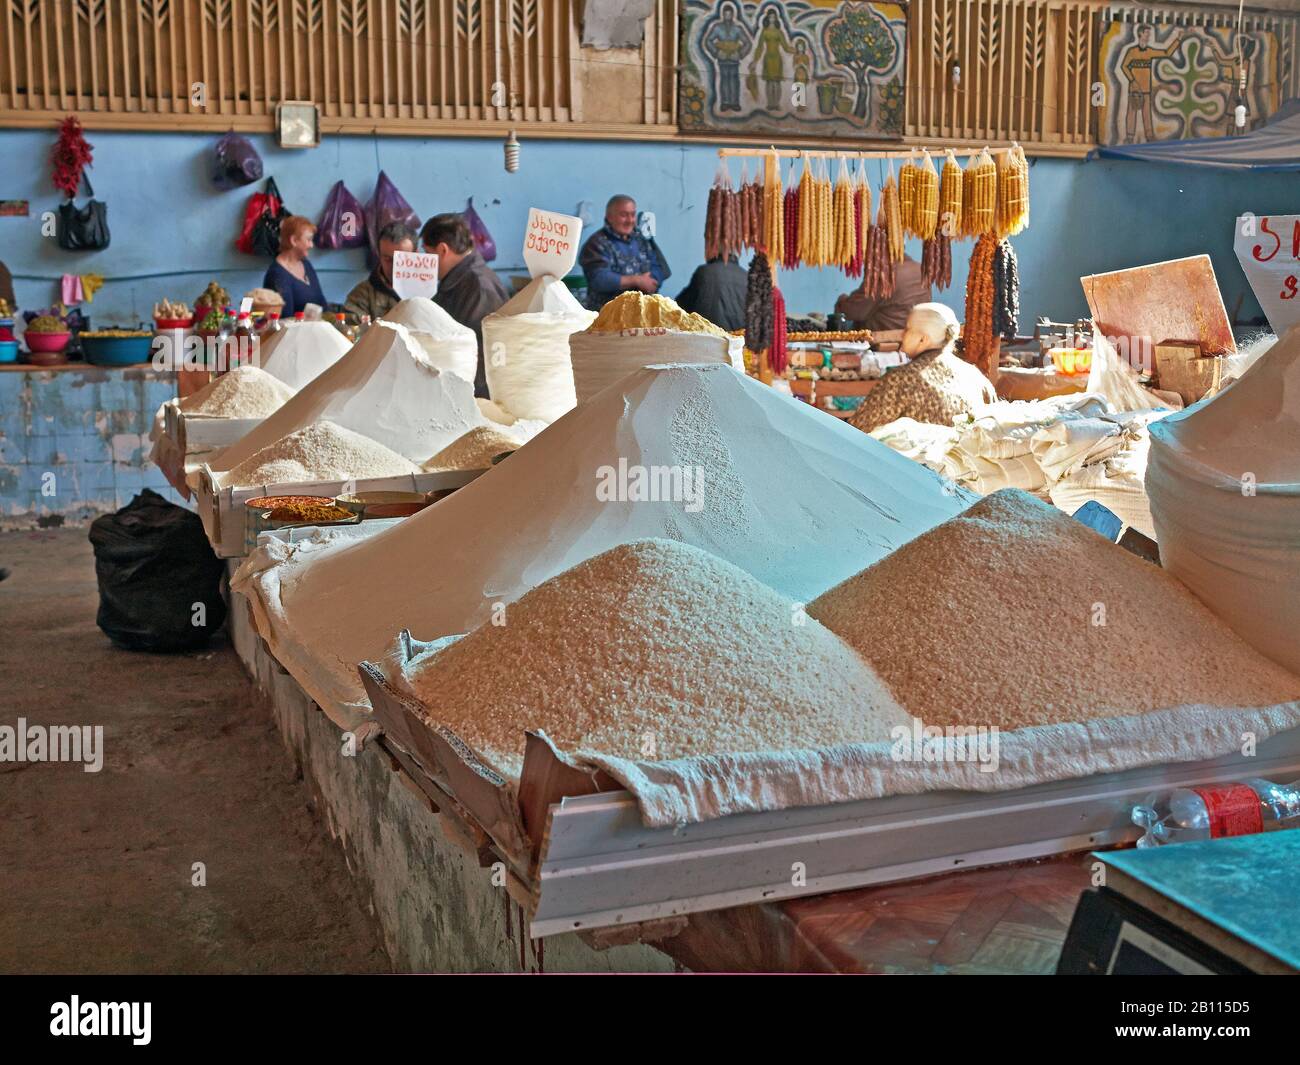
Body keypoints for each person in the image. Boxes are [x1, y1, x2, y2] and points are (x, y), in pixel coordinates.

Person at [847, 303, 996, 434]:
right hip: (963, 465)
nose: (902, 334)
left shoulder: (901, 380)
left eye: (907, 329)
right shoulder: (975, 378)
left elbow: (858, 432)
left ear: (923, 339)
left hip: (908, 465)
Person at [420, 213, 509, 397]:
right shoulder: (458, 281)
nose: (426, 262)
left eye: (428, 254)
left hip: (476, 394)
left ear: (442, 250)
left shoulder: (478, 286)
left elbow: (482, 352)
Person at [578, 195, 671, 310]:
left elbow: (659, 267)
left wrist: (652, 281)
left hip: (642, 313)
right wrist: (637, 280)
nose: (630, 220)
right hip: (607, 317)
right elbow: (599, 279)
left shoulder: (641, 239)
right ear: (609, 217)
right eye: (624, 215)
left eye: (632, 215)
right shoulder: (596, 243)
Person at [835, 255, 932, 333]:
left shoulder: (885, 275)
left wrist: (841, 300)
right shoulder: (920, 269)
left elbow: (854, 312)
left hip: (882, 343)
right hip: (913, 339)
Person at [344, 221, 416, 320]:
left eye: (402, 260)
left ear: (416, 255)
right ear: (379, 255)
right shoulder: (362, 295)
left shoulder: (431, 291)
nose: (395, 266)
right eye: (388, 259)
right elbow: (352, 331)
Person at [263, 215, 328, 317]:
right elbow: (285, 319)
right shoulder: (277, 275)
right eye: (308, 240)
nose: (311, 245)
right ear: (293, 240)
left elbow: (322, 303)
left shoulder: (306, 264)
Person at [675, 254, 747, 332]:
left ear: (713, 248)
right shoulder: (746, 275)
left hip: (709, 336)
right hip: (738, 339)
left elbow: (679, 306)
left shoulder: (704, 272)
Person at [703, 3, 752, 113]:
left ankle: (734, 102)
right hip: (723, 58)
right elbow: (708, 41)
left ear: (733, 15)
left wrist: (740, 54)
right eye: (726, 14)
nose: (728, 17)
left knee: (734, 80)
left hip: (734, 59)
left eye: (730, 14)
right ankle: (725, 102)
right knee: (724, 79)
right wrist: (716, 52)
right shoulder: (717, 27)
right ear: (722, 15)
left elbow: (747, 43)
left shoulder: (738, 28)